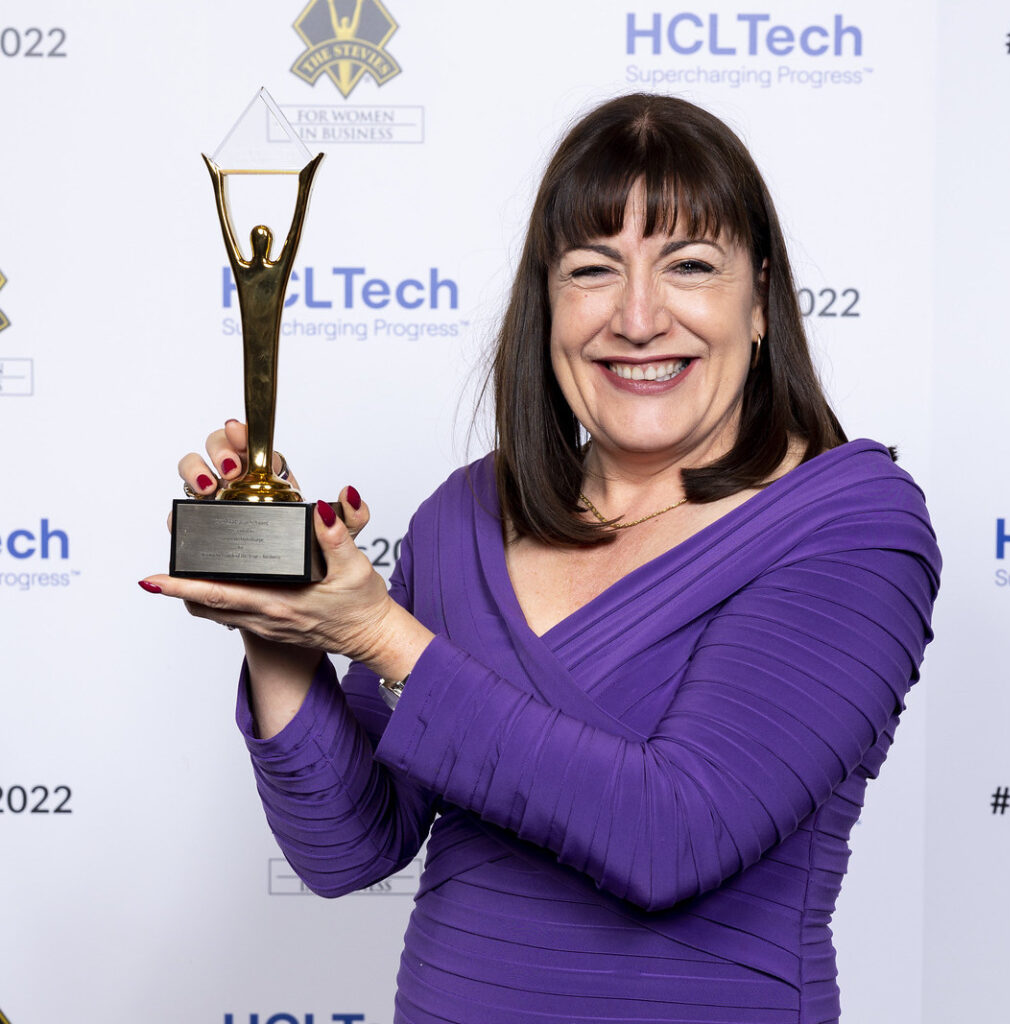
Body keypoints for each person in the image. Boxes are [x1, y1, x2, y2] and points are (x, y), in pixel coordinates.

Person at [141, 93, 940, 1024]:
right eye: (594, 269)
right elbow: (347, 847)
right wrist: (281, 616)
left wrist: (382, 637)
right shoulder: (465, 519)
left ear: (759, 298)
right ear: (547, 303)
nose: (638, 318)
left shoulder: (848, 522)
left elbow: (672, 836)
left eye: (689, 264)